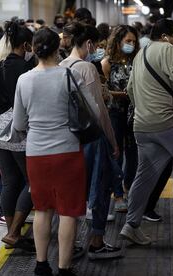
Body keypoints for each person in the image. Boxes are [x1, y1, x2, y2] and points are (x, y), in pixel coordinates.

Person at [13, 27, 99, 276]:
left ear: (32, 48)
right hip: (68, 152)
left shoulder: (24, 79)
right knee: (68, 211)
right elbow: (90, 112)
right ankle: (64, 268)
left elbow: (19, 124)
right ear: (57, 48)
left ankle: (41, 265)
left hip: (36, 153)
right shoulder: (69, 76)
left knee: (42, 208)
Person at [119, 19, 173, 245]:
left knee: (144, 176)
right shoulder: (167, 48)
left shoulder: (140, 54)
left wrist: (144, 108)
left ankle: (131, 225)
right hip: (165, 120)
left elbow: (130, 89)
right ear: (166, 35)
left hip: (141, 125)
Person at [60, 21, 123, 260]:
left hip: (70, 138)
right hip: (93, 139)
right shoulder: (86, 68)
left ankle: (71, 243)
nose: (95, 48)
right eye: (94, 44)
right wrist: (112, 140)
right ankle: (96, 241)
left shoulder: (61, 65)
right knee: (100, 186)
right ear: (88, 43)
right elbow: (99, 111)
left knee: (75, 189)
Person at [0, 20, 35, 251]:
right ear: (25, 45)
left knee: (10, 180)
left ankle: (10, 233)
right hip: (15, 130)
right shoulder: (25, 70)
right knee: (33, 181)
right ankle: (15, 231)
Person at [102, 25, 140, 213]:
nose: (131, 44)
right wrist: (122, 94)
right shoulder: (107, 63)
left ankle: (128, 187)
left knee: (134, 152)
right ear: (118, 42)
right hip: (115, 113)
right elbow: (104, 92)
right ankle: (117, 194)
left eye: (134, 41)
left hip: (134, 113)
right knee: (117, 153)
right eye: (128, 41)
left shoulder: (137, 61)